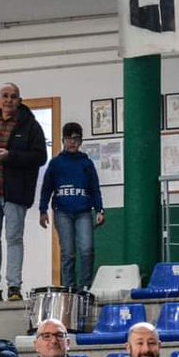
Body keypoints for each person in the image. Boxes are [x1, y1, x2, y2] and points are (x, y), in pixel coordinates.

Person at [0, 81, 48, 303]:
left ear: (19, 101)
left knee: (14, 239)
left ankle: (14, 287)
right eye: (5, 96)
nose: (9, 100)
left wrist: (10, 155)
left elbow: (41, 157)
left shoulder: (31, 126)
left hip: (16, 193)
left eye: (13, 96)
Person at [40, 121, 105, 290]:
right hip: (62, 212)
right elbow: (46, 188)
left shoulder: (87, 164)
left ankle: (86, 287)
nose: (72, 142)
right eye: (68, 138)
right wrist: (43, 210)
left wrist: (100, 209)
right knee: (68, 252)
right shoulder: (55, 163)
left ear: (81, 141)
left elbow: (95, 188)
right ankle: (69, 287)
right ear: (63, 140)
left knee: (87, 249)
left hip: (84, 212)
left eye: (76, 139)